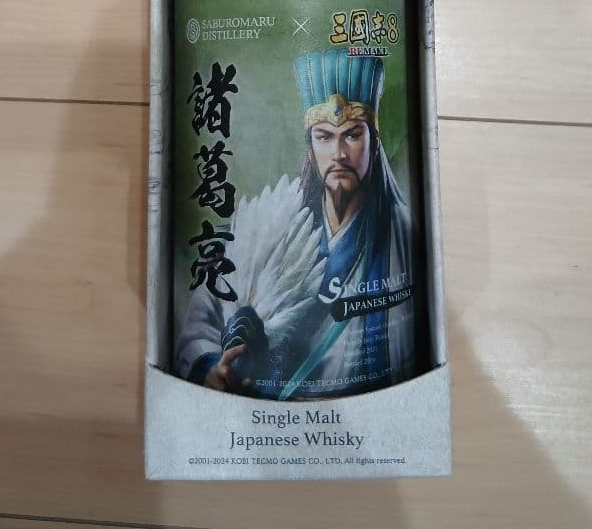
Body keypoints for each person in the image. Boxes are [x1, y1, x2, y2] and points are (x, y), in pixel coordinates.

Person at [175, 48, 418, 398]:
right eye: (324, 137)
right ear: (310, 148)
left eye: (352, 135)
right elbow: (204, 316)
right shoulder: (273, 220)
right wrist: (213, 367)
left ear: (373, 143)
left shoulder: (402, 234)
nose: (339, 153)